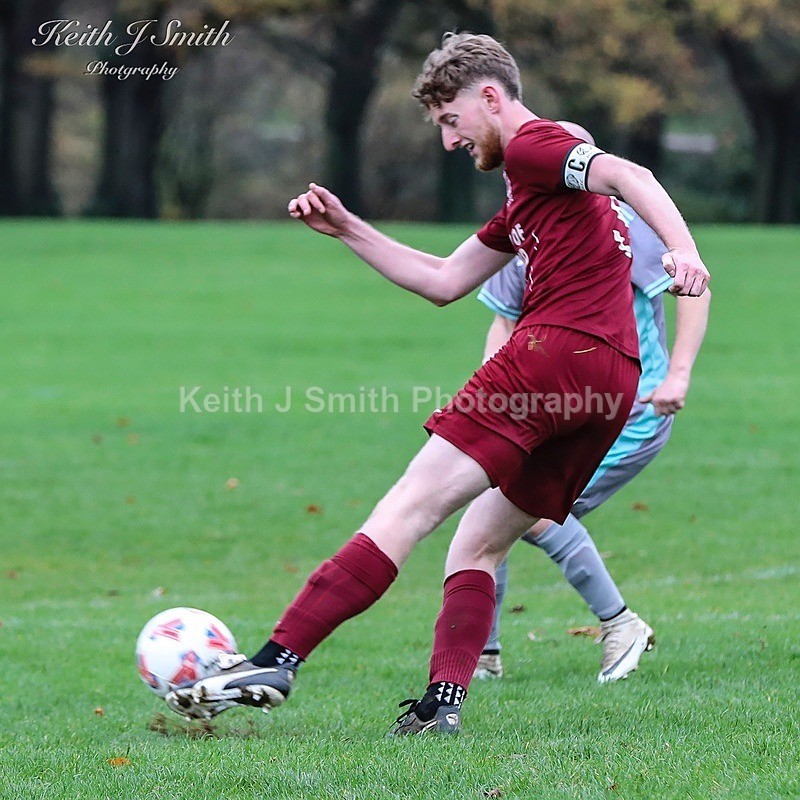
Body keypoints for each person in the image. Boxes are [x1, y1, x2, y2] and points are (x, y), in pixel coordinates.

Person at [165, 33, 709, 735]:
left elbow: (629, 174)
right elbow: (444, 281)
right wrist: (348, 228)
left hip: (552, 355)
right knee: (476, 544)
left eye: (451, 120)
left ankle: (277, 657)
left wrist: (685, 250)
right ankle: (439, 707)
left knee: (408, 508)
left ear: (489, 97)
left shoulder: (532, 146)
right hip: (609, 385)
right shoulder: (528, 203)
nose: (449, 140)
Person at [473, 128, 710, 682]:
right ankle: (484, 655)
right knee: (492, 503)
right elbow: (503, 323)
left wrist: (678, 374)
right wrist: (492, 399)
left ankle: (620, 623)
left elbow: (697, 290)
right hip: (555, 406)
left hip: (630, 407)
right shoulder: (527, 235)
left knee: (524, 512)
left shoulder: (625, 228)